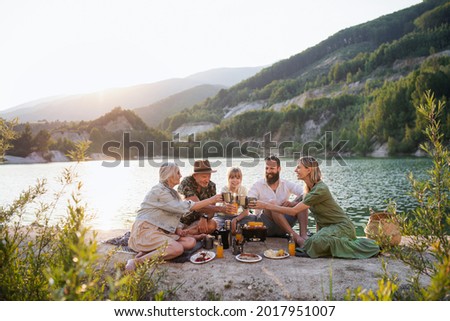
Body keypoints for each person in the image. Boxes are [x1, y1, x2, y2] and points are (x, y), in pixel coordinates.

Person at [253, 156, 380, 259]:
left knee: (313, 243)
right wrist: (293, 202)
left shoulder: (320, 189)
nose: (295, 170)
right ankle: (313, 240)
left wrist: (265, 205)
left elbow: (294, 211)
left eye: (299, 167)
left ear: (308, 170)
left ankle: (360, 247)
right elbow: (311, 209)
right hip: (330, 227)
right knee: (313, 241)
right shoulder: (308, 189)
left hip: (342, 227)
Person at [126, 162, 222, 272]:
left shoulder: (171, 192)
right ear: (170, 175)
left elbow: (169, 215)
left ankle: (147, 251)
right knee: (177, 249)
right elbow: (186, 207)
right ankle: (137, 261)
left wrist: (178, 229)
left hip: (161, 230)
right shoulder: (159, 191)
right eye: (178, 173)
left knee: (190, 242)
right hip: (146, 231)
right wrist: (213, 200)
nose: (180, 175)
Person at [248, 155, 308, 244]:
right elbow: (249, 200)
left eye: (272, 168)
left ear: (279, 169)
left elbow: (305, 193)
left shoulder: (286, 183)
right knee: (272, 203)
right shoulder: (257, 185)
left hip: (284, 225)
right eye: (266, 168)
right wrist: (263, 204)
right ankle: (297, 238)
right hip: (266, 225)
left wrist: (293, 203)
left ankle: (304, 236)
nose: (268, 171)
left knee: (303, 203)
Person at [177, 159, 234, 235]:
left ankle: (186, 233)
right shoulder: (186, 182)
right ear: (195, 176)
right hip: (182, 220)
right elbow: (196, 206)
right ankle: (186, 233)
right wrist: (221, 209)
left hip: (198, 221)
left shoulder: (211, 186)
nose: (207, 180)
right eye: (204, 176)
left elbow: (212, 210)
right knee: (206, 227)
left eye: (209, 176)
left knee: (212, 225)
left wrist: (204, 217)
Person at [214, 167, 254, 233]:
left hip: (237, 217)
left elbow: (246, 211)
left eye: (238, 178)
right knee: (216, 222)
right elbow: (227, 205)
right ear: (228, 179)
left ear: (241, 179)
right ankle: (228, 228)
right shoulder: (224, 189)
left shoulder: (243, 190)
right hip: (223, 216)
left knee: (253, 218)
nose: (235, 180)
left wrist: (235, 219)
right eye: (232, 178)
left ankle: (233, 227)